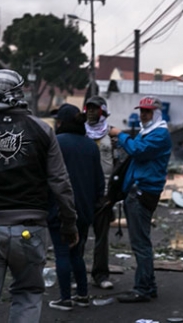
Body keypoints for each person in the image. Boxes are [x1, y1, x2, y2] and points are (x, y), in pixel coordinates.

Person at [0, 69, 78, 322]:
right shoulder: (42, 129)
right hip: (30, 230)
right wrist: (69, 224)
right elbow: (60, 183)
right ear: (21, 91)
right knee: (27, 294)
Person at [108, 95, 172, 303]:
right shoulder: (151, 132)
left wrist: (121, 135)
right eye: (142, 111)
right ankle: (148, 285)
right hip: (139, 192)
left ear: (157, 113)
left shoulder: (159, 134)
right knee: (141, 242)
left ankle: (143, 288)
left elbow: (138, 151)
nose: (143, 115)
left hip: (142, 193)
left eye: (147, 112)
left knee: (140, 244)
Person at [47, 104, 105, 311]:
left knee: (62, 253)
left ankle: (65, 298)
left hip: (60, 208)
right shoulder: (90, 145)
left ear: (61, 122)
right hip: (84, 209)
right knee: (77, 254)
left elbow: (48, 178)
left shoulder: (56, 143)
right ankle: (82, 294)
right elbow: (100, 181)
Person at [84, 95, 115, 289]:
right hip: (83, 191)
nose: (92, 112)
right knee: (77, 235)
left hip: (103, 193)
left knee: (101, 238)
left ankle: (101, 275)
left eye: (95, 108)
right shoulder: (80, 133)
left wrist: (114, 193)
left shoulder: (111, 135)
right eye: (89, 108)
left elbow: (118, 163)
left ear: (103, 111)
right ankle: (74, 274)